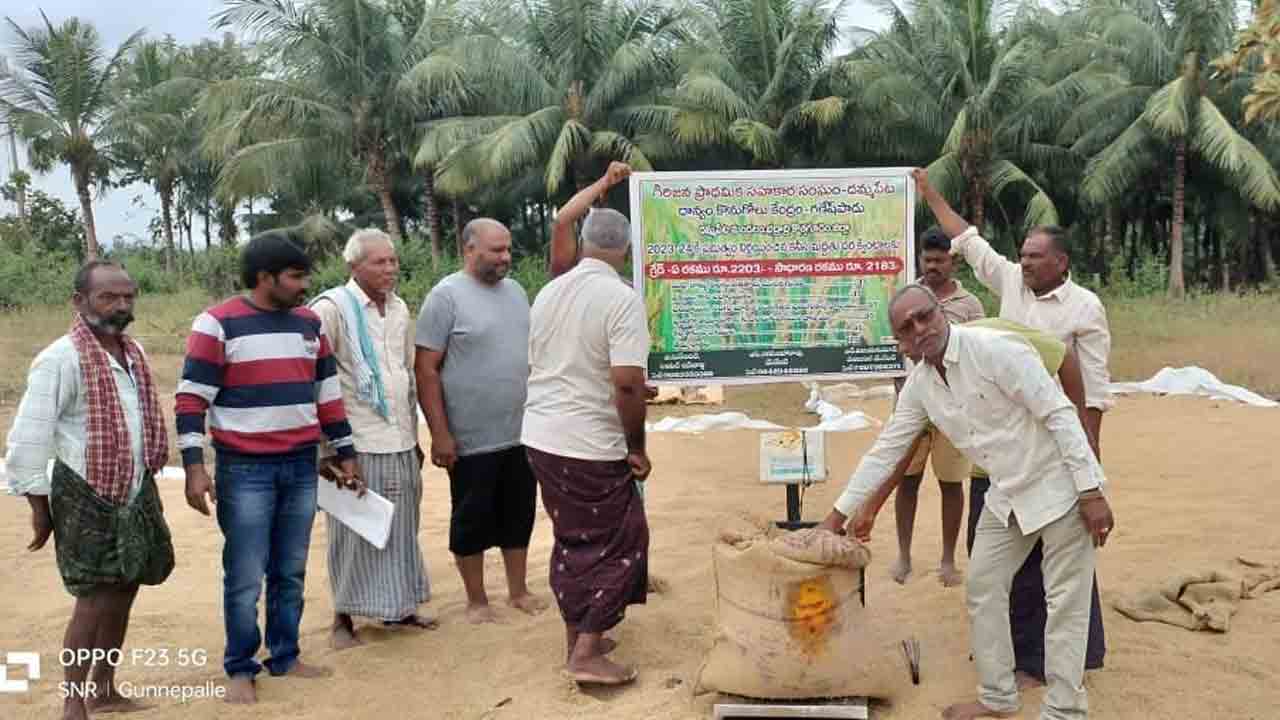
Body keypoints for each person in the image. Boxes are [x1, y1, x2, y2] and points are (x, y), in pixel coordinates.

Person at [821, 284, 1115, 720]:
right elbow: (886, 449)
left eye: (925, 316)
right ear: (899, 341)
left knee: (1065, 602)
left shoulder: (995, 350)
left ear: (942, 312)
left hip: (1059, 486)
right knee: (982, 586)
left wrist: (1091, 490)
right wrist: (836, 516)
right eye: (907, 327)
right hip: (1007, 495)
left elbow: (1058, 413)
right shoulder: (921, 386)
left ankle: (1065, 710)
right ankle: (997, 697)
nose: (920, 329)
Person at [915, 168, 1109, 686]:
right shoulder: (1006, 283)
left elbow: (1094, 388)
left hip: (1056, 443)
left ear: (1060, 263)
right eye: (1020, 255)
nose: (1022, 263)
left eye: (1033, 257)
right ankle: (1013, 654)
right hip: (998, 445)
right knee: (999, 557)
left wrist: (1088, 461)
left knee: (1065, 561)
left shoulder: (1085, 308)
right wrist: (929, 191)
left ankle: (1066, 659)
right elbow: (965, 237)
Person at [176, 229, 362, 704]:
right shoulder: (217, 324)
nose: (304, 285)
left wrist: (346, 455)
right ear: (265, 278)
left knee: (291, 570)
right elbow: (191, 400)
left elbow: (327, 396)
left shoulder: (308, 325)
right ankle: (241, 666)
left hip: (301, 465)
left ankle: (285, 654)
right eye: (296, 276)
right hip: (243, 470)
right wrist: (196, 467)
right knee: (244, 574)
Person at [4, 261, 174, 720]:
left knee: (126, 587)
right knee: (95, 598)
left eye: (128, 297)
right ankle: (72, 701)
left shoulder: (132, 352)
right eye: (108, 297)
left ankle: (104, 688)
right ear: (79, 302)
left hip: (133, 489)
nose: (121, 305)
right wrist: (40, 510)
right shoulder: (61, 359)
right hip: (85, 494)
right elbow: (28, 440)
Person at [524, 171, 651, 687]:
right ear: (625, 248)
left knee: (572, 537)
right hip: (588, 444)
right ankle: (588, 652)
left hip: (541, 436)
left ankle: (577, 632)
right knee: (622, 540)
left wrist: (602, 183)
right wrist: (636, 447)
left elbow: (561, 217)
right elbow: (626, 385)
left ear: (586, 245)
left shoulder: (552, 290)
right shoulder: (622, 299)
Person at [415, 218, 547, 624]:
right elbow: (425, 369)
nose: (505, 257)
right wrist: (440, 434)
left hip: (520, 431)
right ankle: (476, 600)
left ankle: (518, 590)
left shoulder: (517, 292)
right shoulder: (445, 298)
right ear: (469, 250)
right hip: (469, 438)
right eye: (496, 251)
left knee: (519, 514)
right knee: (471, 517)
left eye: (508, 249)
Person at [310, 229, 432, 649]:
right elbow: (316, 380)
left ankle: (401, 608)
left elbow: (405, 375)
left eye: (393, 261)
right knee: (353, 528)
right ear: (354, 266)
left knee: (401, 526)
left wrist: (415, 437)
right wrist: (328, 451)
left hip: (398, 436)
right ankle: (341, 619)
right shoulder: (331, 309)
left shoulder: (398, 309)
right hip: (354, 442)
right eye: (379, 262)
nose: (390, 269)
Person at [890, 226, 986, 586]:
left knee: (951, 484)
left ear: (953, 261)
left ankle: (947, 559)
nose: (932, 266)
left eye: (939, 260)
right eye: (927, 259)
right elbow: (896, 352)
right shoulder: (905, 297)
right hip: (912, 408)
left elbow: (977, 354)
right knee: (906, 480)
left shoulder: (969, 305)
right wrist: (901, 394)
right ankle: (903, 555)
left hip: (955, 413)